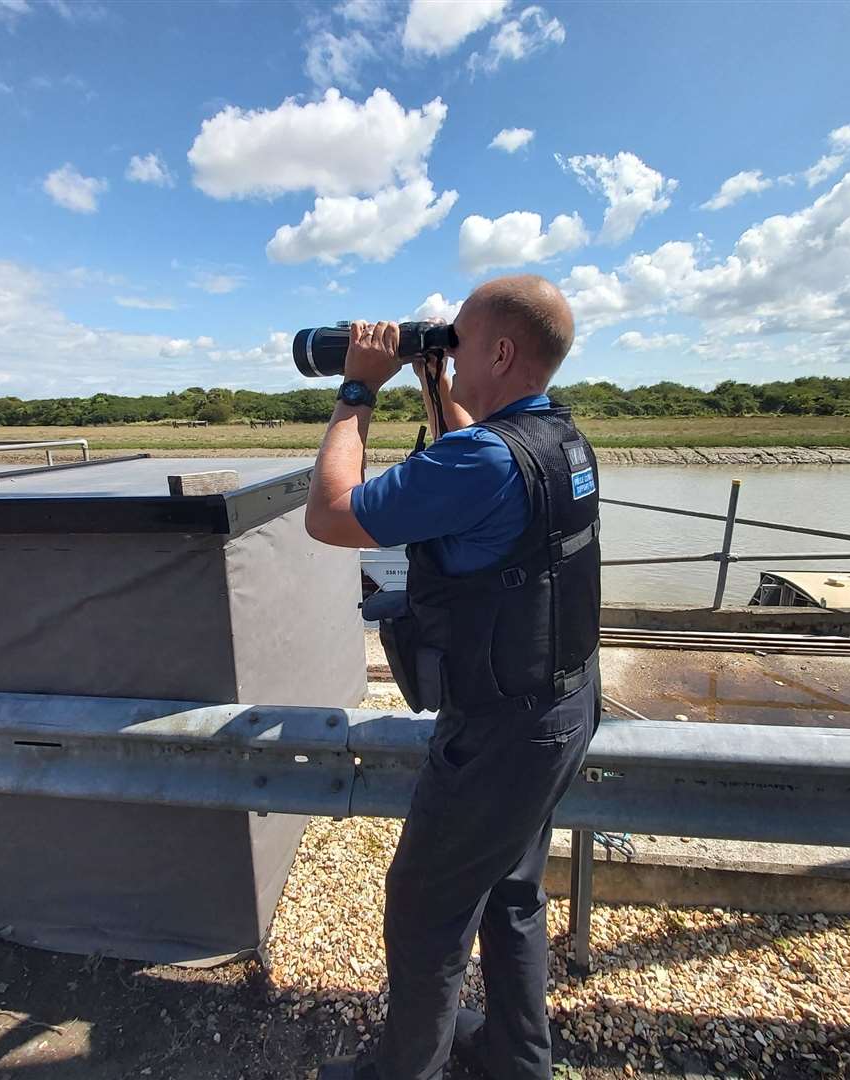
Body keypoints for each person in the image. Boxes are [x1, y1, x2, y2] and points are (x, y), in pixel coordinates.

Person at [304, 275, 602, 1080]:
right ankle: (514, 1059)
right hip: (564, 707)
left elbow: (330, 514)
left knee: (426, 914)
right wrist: (435, 380)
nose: (449, 349)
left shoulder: (480, 460)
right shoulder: (557, 439)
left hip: (501, 731)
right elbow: (469, 455)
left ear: (500, 351)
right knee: (509, 892)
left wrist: (359, 387)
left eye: (459, 339)